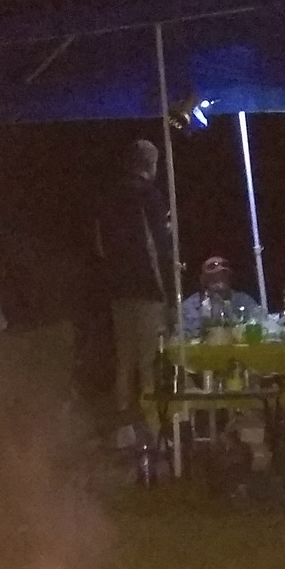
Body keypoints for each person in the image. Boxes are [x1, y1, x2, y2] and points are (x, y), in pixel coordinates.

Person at [94, 137, 173, 442]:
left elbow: (100, 245)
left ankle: (123, 429)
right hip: (147, 289)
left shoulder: (109, 196)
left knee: (124, 360)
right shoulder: (149, 196)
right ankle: (154, 428)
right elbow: (158, 246)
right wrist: (166, 289)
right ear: (151, 164)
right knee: (149, 361)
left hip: (117, 290)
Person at [181, 254, 258, 337]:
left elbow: (260, 325)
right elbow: (182, 336)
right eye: (212, 266)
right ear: (202, 279)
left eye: (225, 265)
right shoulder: (189, 307)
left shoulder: (245, 301)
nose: (221, 268)